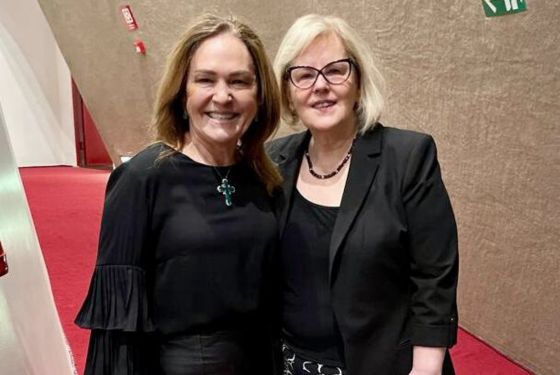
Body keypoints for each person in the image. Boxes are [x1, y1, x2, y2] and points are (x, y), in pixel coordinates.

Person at [75, 14, 283, 375]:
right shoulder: (142, 178)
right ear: (181, 91)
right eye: (205, 80)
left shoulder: (262, 175)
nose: (223, 96)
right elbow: (117, 331)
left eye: (239, 81)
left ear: (260, 94)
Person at [268, 14, 459, 375]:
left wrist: (427, 368)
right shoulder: (273, 161)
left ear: (358, 81)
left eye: (336, 70)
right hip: (294, 363)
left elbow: (434, 275)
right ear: (288, 92)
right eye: (304, 74)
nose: (320, 86)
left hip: (387, 364)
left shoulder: (407, 156)